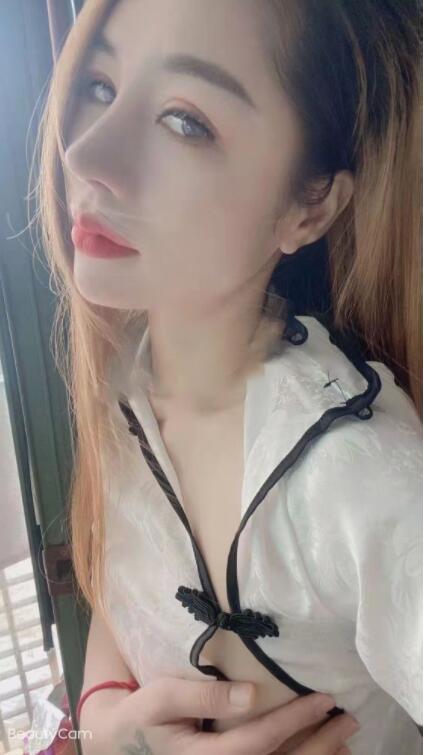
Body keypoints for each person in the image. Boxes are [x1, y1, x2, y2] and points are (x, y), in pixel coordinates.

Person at [35, 0, 422, 752]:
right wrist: (108, 724)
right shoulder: (122, 395)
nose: (84, 152)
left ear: (309, 206)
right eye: (102, 86)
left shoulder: (361, 477)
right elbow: (122, 599)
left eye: (185, 121)